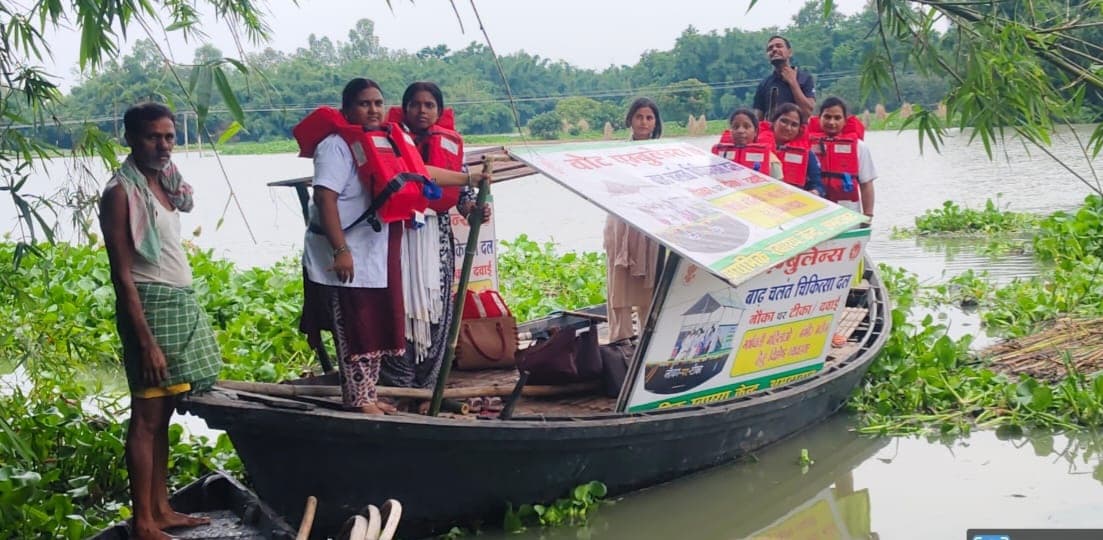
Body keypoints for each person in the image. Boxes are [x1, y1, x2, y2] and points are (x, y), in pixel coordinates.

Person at [295, 78, 479, 415]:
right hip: (346, 254)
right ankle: (359, 400)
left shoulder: (385, 141)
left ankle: (368, 395)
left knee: (373, 328)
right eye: (365, 104)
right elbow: (324, 196)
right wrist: (340, 250)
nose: (373, 110)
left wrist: (470, 179)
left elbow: (421, 172)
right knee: (354, 330)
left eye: (378, 103)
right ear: (347, 109)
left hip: (373, 253)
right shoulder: (336, 145)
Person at [100, 102, 222, 539]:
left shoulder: (164, 185)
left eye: (169, 136)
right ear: (130, 138)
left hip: (176, 304)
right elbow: (123, 275)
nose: (163, 144)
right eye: (154, 136)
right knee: (146, 418)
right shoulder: (120, 192)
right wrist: (146, 341)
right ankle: (144, 522)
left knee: (163, 414)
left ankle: (162, 507)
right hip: (149, 309)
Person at [378, 82, 488, 393]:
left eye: (429, 105)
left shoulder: (451, 146)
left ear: (438, 111)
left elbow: (463, 196)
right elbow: (417, 173)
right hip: (399, 235)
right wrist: (469, 179)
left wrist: (473, 211)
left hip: (436, 236)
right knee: (398, 305)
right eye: (415, 104)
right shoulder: (390, 142)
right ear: (405, 108)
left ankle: (427, 386)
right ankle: (399, 386)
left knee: (436, 307)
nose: (422, 111)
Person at [604, 97, 663, 344]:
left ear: (655, 123)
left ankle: (650, 336)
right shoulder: (616, 152)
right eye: (639, 117)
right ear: (630, 120)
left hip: (651, 223)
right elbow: (608, 184)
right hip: (622, 223)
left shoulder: (665, 153)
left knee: (650, 281)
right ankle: (620, 336)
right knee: (618, 279)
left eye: (649, 117)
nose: (643, 122)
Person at [807, 96, 876, 219]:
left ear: (845, 121)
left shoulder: (859, 147)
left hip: (848, 212)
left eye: (837, 118)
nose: (832, 122)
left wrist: (868, 216)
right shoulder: (806, 145)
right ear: (819, 118)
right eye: (827, 117)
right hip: (813, 212)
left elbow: (866, 185)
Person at [758, 103, 826, 196]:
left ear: (799, 129)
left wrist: (815, 192)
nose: (788, 127)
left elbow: (818, 185)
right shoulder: (756, 147)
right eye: (784, 121)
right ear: (773, 122)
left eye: (794, 125)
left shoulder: (807, 155)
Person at [753, 35, 816, 121]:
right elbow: (757, 120)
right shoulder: (764, 84)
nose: (774, 49)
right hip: (772, 132)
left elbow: (808, 112)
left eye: (779, 46)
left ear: (790, 52)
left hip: (799, 132)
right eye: (770, 48)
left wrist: (793, 82)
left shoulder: (805, 78)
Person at [711, 108, 783, 179]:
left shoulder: (772, 161)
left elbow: (779, 187)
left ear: (755, 132)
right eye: (735, 127)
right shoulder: (720, 156)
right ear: (731, 131)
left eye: (746, 127)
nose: (740, 130)